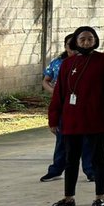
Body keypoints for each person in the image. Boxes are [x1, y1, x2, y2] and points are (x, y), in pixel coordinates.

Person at [46, 26, 104, 206]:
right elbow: (59, 94)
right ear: (75, 42)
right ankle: (68, 197)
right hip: (72, 119)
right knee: (71, 159)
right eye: (82, 39)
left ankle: (99, 196)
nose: (86, 42)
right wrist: (53, 119)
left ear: (95, 41)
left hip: (96, 118)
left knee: (98, 159)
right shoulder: (66, 64)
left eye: (90, 39)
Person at [39, 34, 93, 184]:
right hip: (64, 107)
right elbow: (46, 80)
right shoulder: (59, 63)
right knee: (62, 139)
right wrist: (56, 93)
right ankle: (56, 169)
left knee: (87, 140)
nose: (74, 50)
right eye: (71, 46)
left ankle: (90, 170)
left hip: (84, 107)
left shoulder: (89, 62)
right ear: (66, 47)